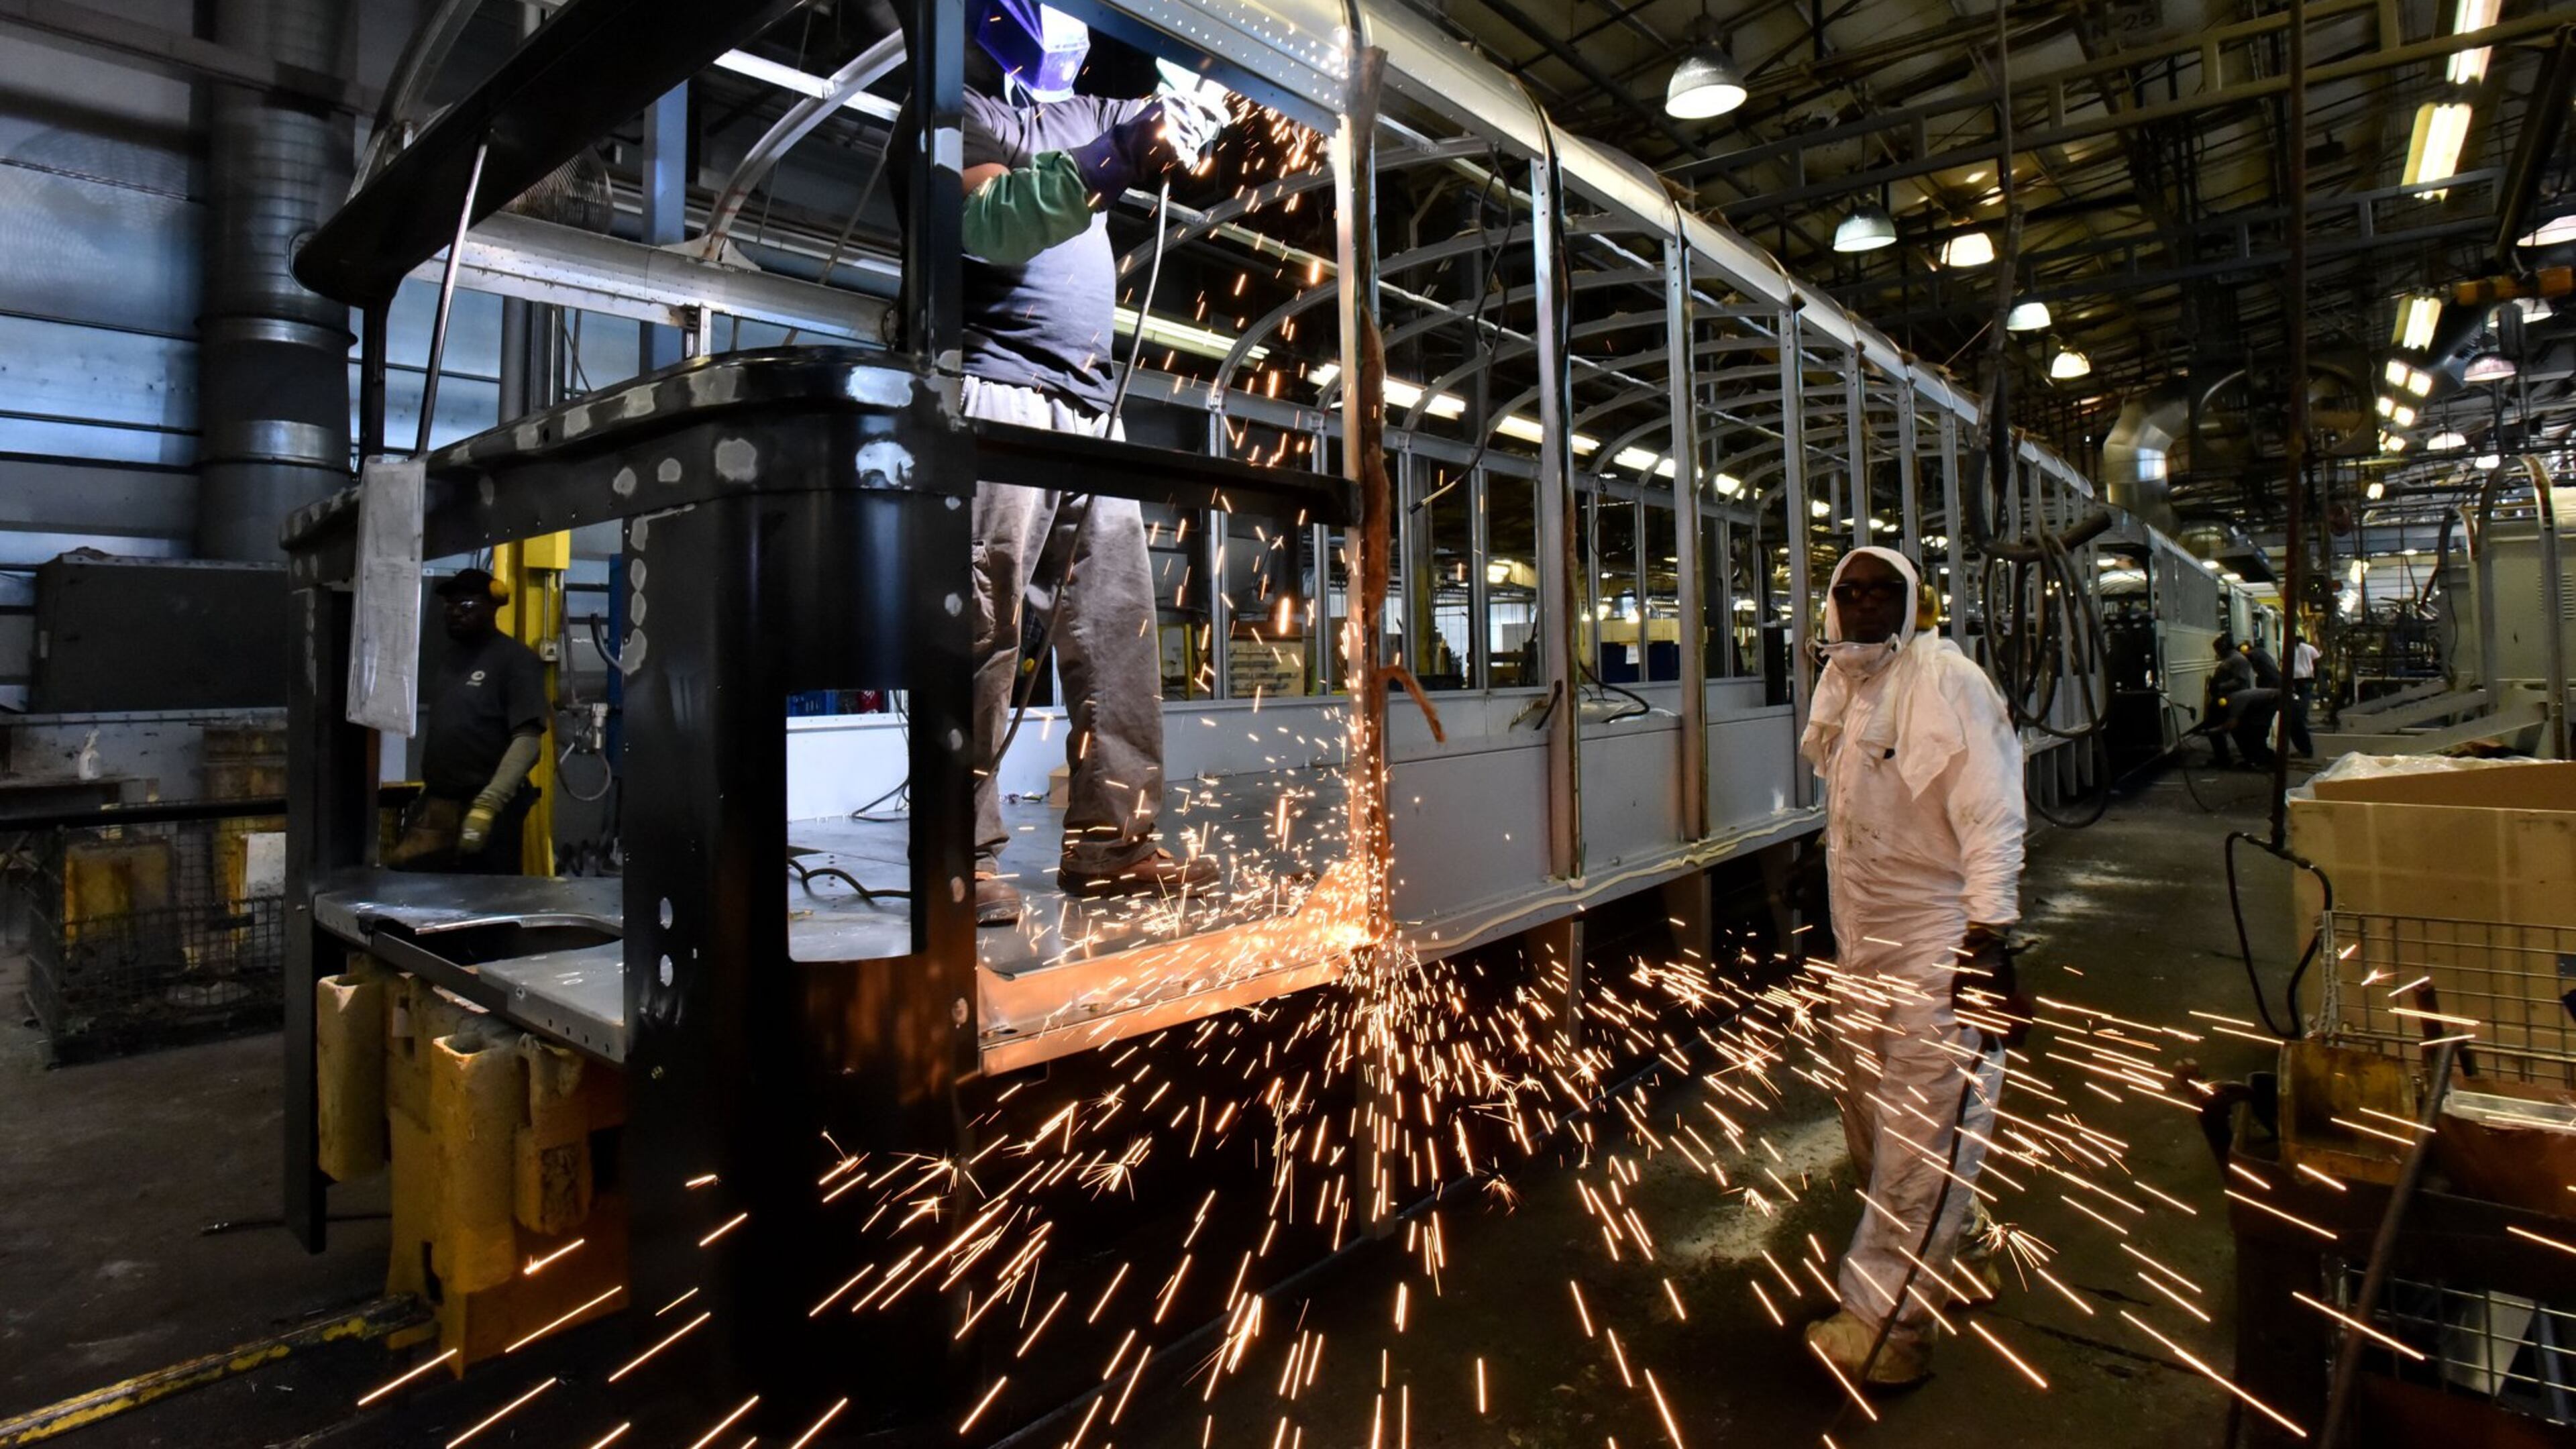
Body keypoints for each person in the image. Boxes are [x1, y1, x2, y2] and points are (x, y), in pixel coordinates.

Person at [896, 3, 1231, 926]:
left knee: (1116, 630)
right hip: (993, 393)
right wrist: (1120, 158)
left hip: (1093, 407)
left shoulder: (1092, 113)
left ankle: (1114, 843)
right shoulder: (953, 110)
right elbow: (990, 227)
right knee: (981, 624)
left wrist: (1203, 108)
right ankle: (958, 852)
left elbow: (1165, 122)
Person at [1798, 546, 2029, 1389]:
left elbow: (1993, 814)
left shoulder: (1945, 681)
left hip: (1940, 954)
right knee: (1876, 1130)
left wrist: (1990, 942)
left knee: (1920, 1145)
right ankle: (1951, 1259)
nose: (1863, 606)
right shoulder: (1852, 692)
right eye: (1848, 593)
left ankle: (1887, 1328)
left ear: (1913, 603)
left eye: (1882, 592)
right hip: (1866, 954)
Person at [388, 568, 547, 873]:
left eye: (467, 606)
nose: (456, 614)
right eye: (450, 607)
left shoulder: (515, 660)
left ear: (494, 604)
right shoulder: (450, 659)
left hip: (486, 808)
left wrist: (488, 805)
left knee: (484, 901)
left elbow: (528, 741)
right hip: (441, 804)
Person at [2286, 632, 2320, 757]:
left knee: (2297, 701)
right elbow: (2317, 661)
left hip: (2295, 678)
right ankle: (2303, 718)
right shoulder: (2309, 648)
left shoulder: (2291, 649)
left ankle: (2300, 717)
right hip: (2307, 677)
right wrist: (2316, 676)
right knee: (2305, 699)